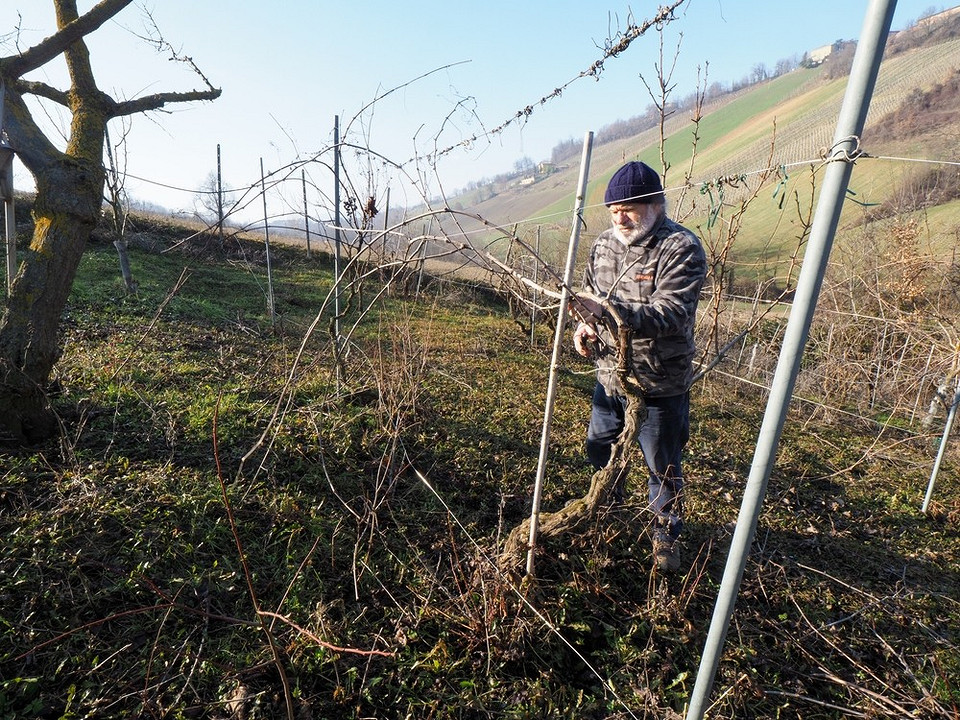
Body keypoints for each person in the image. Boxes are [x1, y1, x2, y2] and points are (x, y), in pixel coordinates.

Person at [571, 161, 706, 572]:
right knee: (600, 446)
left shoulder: (680, 248)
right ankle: (605, 508)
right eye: (613, 210)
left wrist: (607, 310)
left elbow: (673, 314)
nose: (619, 218)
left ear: (655, 205)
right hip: (611, 375)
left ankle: (665, 534)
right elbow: (591, 300)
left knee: (660, 464)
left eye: (629, 208)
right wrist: (586, 327)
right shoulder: (603, 246)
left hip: (661, 380)